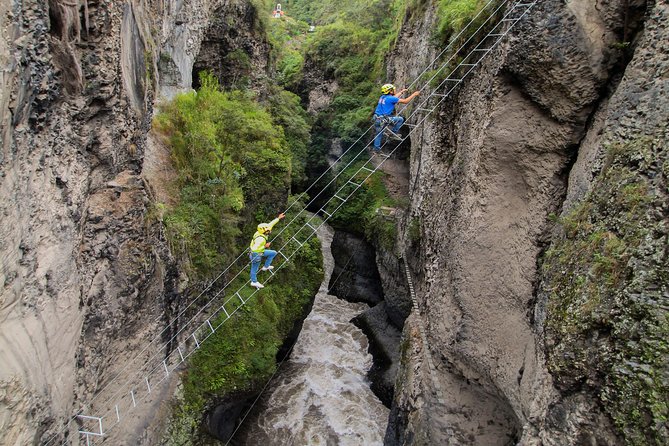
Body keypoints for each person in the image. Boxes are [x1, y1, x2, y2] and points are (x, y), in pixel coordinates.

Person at [373, 84, 420, 151]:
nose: (395, 90)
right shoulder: (391, 98)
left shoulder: (383, 97)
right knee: (400, 119)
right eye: (393, 89)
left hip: (377, 118)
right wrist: (414, 94)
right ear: (390, 91)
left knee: (379, 134)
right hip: (384, 119)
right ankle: (393, 133)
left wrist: (401, 92)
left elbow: (394, 98)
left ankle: (376, 149)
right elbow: (405, 101)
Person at [249, 213, 286, 289]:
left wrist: (278, 218)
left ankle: (266, 267)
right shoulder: (261, 239)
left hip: (260, 251)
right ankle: (254, 281)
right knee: (254, 268)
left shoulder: (263, 230)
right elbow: (254, 248)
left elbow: (271, 224)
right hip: (255, 254)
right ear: (264, 232)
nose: (270, 231)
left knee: (273, 253)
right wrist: (265, 246)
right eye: (268, 231)